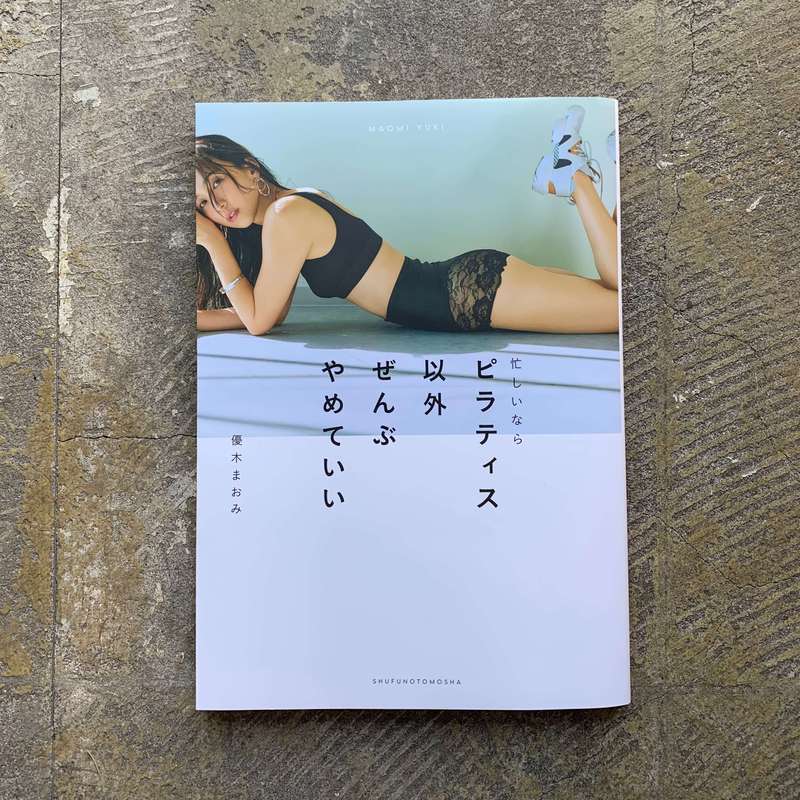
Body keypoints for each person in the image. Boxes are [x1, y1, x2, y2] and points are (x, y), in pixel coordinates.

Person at [195, 105, 620, 336]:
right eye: (202, 204)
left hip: (468, 297)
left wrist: (212, 241)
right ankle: (603, 174)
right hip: (466, 286)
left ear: (249, 167)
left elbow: (259, 322)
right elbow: (271, 311)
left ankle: (574, 178)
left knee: (621, 307)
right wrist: (199, 319)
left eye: (217, 182)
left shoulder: (286, 217)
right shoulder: (294, 205)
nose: (217, 205)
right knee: (616, 290)